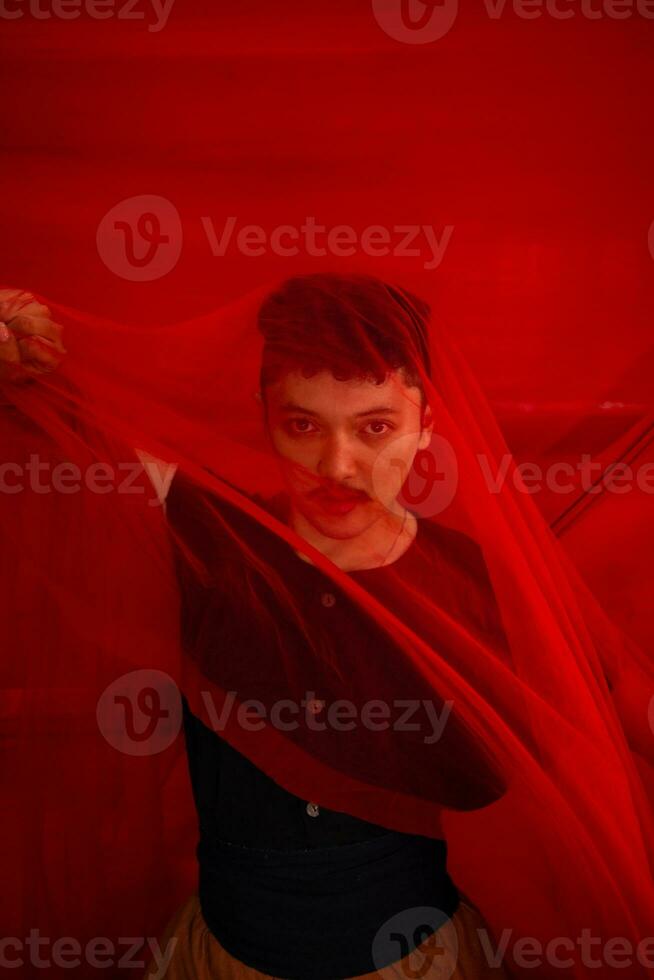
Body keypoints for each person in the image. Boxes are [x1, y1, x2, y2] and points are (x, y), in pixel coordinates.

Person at [2, 278, 653, 979]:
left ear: (429, 422)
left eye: (375, 426)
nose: (337, 468)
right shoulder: (210, 536)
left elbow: (615, 703)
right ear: (264, 415)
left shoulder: (479, 586)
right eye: (303, 425)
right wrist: (23, 347)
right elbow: (71, 426)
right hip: (225, 957)